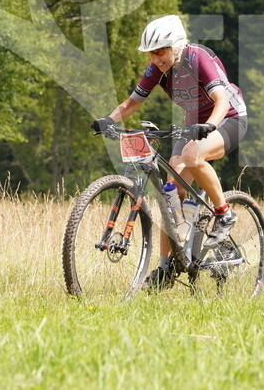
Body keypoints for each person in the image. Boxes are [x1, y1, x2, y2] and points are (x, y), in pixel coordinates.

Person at [91, 15, 248, 290]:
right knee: (169, 191)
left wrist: (210, 125)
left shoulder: (198, 58)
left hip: (228, 118)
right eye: (151, 53)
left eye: (160, 51)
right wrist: (109, 120)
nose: (155, 58)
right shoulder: (156, 70)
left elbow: (221, 100)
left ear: (176, 45)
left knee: (191, 156)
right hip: (192, 124)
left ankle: (224, 213)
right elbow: (131, 103)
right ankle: (166, 267)